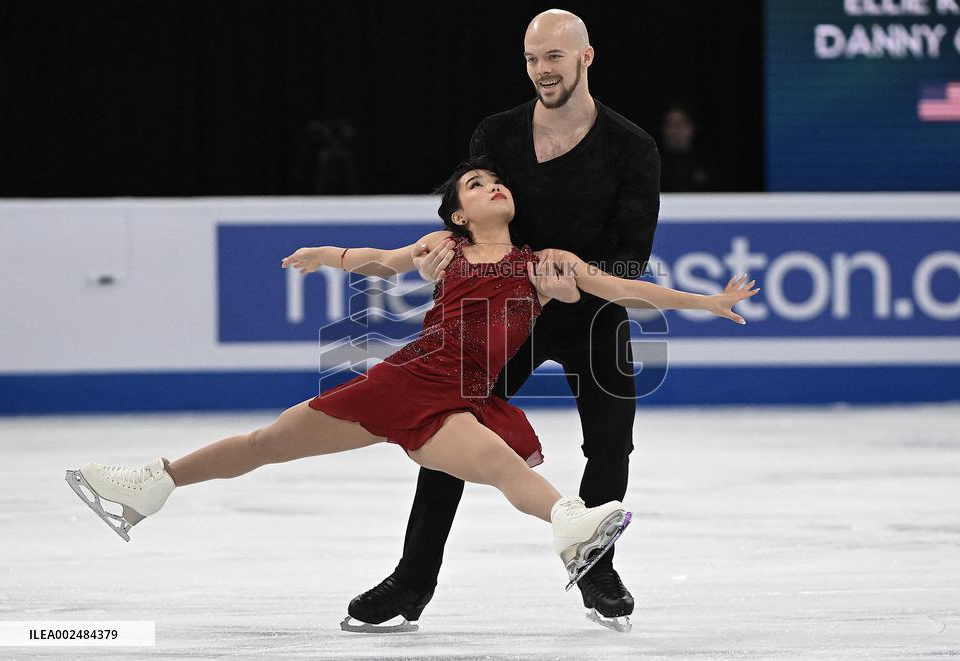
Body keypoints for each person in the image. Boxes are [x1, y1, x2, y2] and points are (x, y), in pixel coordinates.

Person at [66, 160, 757, 632]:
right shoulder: (445, 248)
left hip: (461, 395)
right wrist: (327, 254)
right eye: (478, 184)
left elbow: (628, 291)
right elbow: (383, 261)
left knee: (501, 467)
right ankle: (152, 483)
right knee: (267, 442)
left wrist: (707, 301)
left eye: (497, 181)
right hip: (407, 377)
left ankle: (572, 528)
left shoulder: (544, 265)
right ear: (459, 211)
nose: (494, 186)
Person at [348, 9, 663, 631]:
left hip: (590, 315)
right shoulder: (498, 133)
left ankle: (594, 563)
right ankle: (412, 580)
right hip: (503, 315)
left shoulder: (631, 147)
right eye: (531, 58)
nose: (542, 70)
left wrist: (574, 282)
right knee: (451, 434)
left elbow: (634, 255)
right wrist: (443, 252)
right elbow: (469, 217)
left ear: (585, 58)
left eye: (553, 57)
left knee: (609, 443)